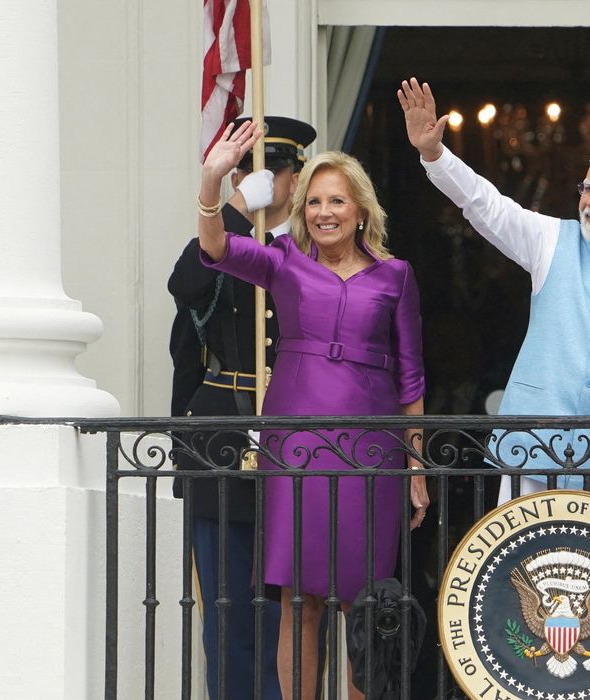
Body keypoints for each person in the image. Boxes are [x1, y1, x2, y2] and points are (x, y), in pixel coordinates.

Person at [398, 77, 590, 559]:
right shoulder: (551, 239)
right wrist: (435, 154)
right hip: (535, 463)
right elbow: (487, 206)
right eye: (587, 188)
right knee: (526, 595)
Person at [196, 120, 429, 700]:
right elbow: (215, 249)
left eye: (337, 201)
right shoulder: (282, 261)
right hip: (295, 441)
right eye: (316, 201)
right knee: (298, 599)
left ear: (359, 209)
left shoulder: (395, 275)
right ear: (303, 209)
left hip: (372, 445)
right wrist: (212, 184)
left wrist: (417, 463)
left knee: (364, 599)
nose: (326, 212)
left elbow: (411, 373)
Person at [168, 115, 314, 700]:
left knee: (291, 611)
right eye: (250, 171)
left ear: (296, 176)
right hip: (224, 441)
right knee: (227, 613)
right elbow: (185, 289)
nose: (263, 182)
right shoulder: (222, 244)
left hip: (298, 439)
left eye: (273, 170)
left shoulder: (314, 245)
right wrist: (229, 209)